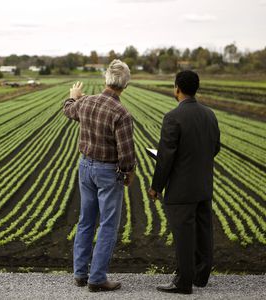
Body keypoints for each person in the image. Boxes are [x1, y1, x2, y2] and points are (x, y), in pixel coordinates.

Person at [63, 59, 137, 292]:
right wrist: (129, 172)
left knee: (86, 219)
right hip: (107, 172)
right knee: (107, 224)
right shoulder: (122, 113)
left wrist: (74, 96)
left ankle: (80, 274)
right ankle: (97, 279)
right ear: (125, 85)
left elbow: (68, 110)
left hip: (85, 167)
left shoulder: (87, 102)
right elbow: (126, 152)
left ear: (106, 80)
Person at [148, 70, 220, 295]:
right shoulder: (210, 115)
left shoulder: (173, 117)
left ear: (177, 88)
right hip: (204, 185)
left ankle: (183, 282)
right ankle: (201, 276)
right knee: (203, 232)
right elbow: (215, 147)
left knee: (183, 235)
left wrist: (156, 186)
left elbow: (166, 157)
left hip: (181, 189)